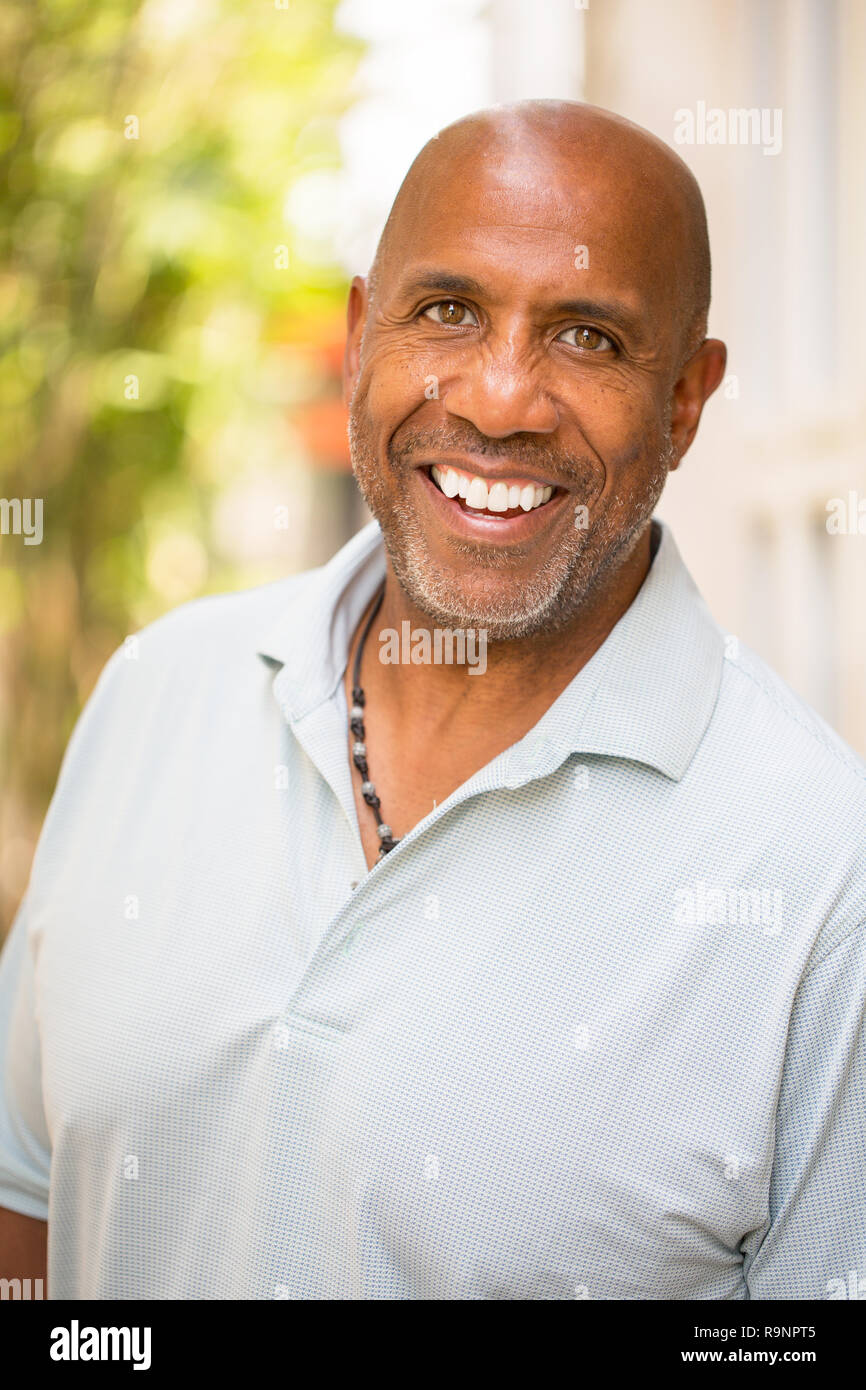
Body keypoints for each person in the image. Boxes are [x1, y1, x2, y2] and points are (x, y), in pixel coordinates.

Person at [1, 100, 864, 1300]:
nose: (501, 399)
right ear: (362, 334)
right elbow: (33, 1210)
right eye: (447, 311)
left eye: (588, 339)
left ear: (683, 398)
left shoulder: (824, 875)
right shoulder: (159, 690)